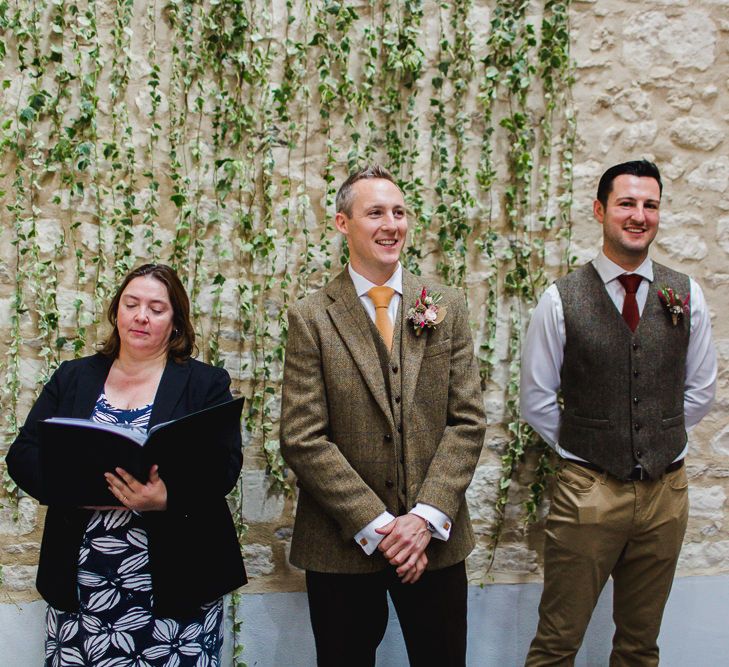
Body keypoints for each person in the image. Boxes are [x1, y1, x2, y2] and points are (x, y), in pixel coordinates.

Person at [280, 164, 486, 667]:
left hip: (433, 541)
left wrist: (422, 518)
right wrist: (378, 526)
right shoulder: (311, 317)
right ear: (342, 223)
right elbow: (304, 437)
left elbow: (468, 421)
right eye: (375, 212)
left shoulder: (444, 306)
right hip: (340, 545)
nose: (391, 224)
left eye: (399, 212)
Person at [521, 159, 717, 666]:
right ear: (600, 210)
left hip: (665, 494)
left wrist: (654, 438)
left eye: (650, 205)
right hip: (588, 491)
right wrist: (587, 451)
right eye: (627, 203)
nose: (639, 215)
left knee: (639, 646)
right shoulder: (560, 300)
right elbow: (537, 400)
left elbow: (700, 390)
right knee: (556, 644)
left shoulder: (685, 294)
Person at [6, 263, 247, 666]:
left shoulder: (206, 383)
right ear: (116, 311)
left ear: (175, 324)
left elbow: (223, 464)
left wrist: (167, 496)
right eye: (131, 304)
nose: (141, 316)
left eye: (156, 308)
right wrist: (71, 487)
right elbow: (23, 453)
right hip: (84, 581)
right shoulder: (73, 377)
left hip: (176, 578)